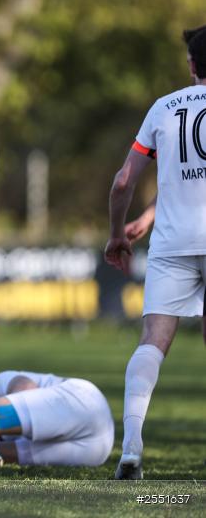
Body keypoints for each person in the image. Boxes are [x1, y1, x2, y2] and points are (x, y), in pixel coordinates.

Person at [104, 25, 206, 479]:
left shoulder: (164, 108)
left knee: (152, 342)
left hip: (172, 244)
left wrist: (119, 232)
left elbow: (125, 179)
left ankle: (130, 448)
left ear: (191, 65)